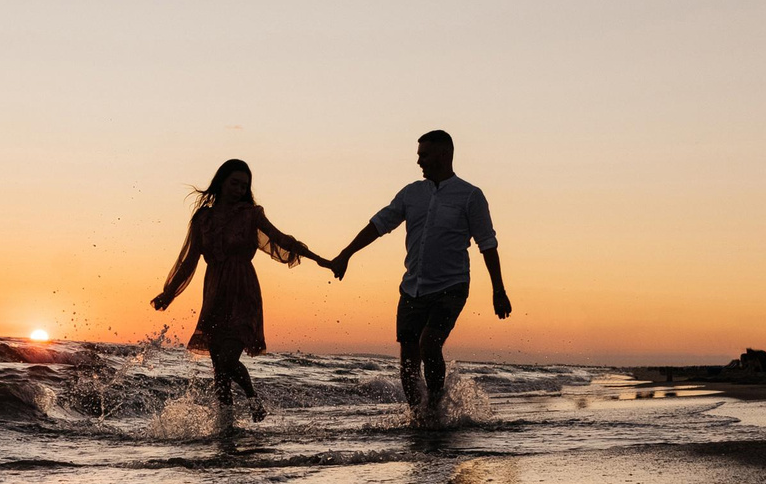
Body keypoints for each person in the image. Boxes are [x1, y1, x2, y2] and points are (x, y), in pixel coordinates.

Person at [326, 129, 510, 419]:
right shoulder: (411, 193)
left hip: (451, 286)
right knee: (408, 357)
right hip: (412, 287)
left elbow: (487, 244)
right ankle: (417, 415)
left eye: (424, 155)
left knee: (429, 344)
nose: (419, 161)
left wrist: (498, 290)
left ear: (444, 154)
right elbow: (379, 224)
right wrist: (345, 254)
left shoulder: (470, 196)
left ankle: (435, 408)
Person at [151, 158, 325, 423]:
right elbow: (189, 261)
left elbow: (282, 239)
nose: (239, 190)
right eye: (234, 183)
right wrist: (169, 293)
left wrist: (320, 259)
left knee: (228, 359)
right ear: (221, 182)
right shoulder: (203, 219)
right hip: (214, 293)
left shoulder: (251, 214)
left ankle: (252, 398)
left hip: (244, 292)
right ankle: (226, 427)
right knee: (218, 369)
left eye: (244, 186)